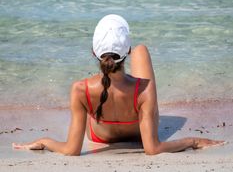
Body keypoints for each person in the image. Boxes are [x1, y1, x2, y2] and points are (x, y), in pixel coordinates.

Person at [13, 14, 224, 155]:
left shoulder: (79, 89)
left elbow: (71, 150)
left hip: (101, 136)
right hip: (140, 133)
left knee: (90, 102)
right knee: (142, 50)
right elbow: (153, 149)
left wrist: (44, 141)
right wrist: (194, 141)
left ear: (94, 53)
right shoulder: (145, 88)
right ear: (127, 53)